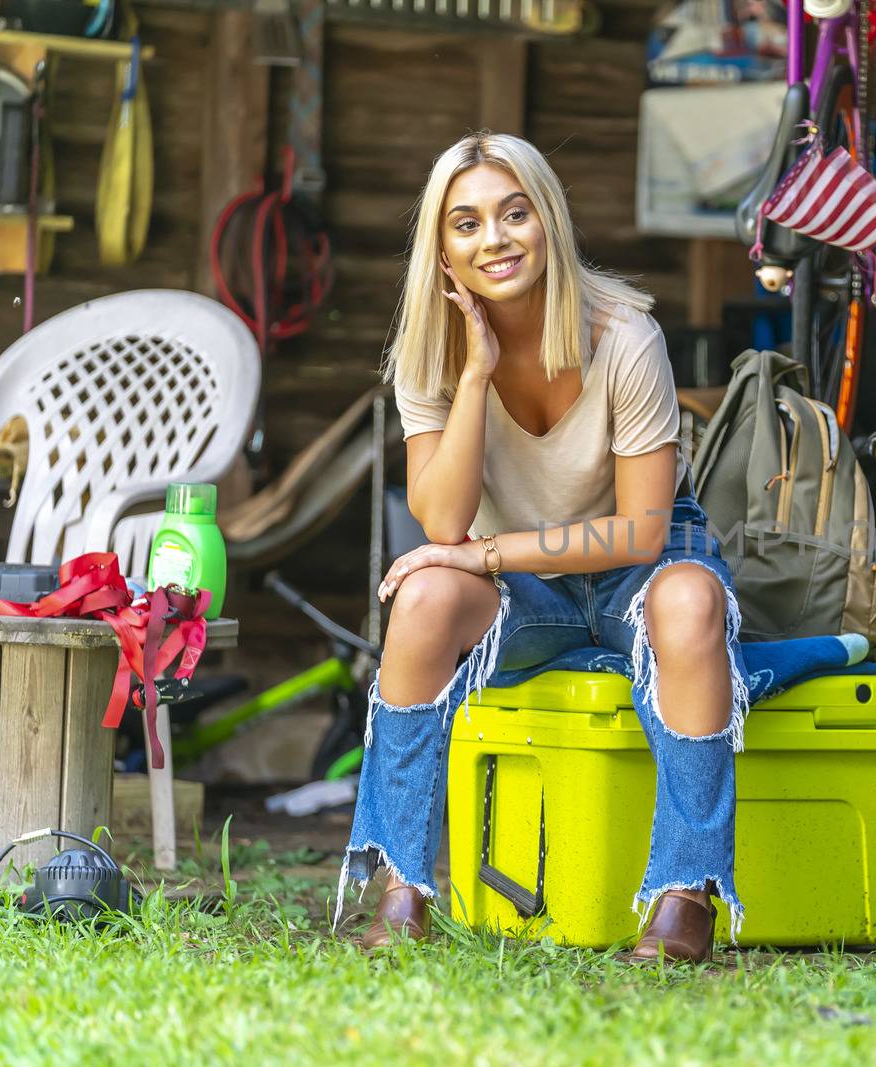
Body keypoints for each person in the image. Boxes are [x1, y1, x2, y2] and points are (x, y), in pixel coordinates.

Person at [337, 131, 751, 963]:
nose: (495, 238)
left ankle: (686, 891)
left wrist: (483, 557)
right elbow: (444, 525)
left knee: (691, 597)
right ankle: (406, 885)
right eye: (467, 223)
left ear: (548, 220)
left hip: (641, 571)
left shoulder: (624, 337)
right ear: (442, 246)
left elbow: (638, 529)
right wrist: (475, 375)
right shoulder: (431, 351)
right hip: (529, 593)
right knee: (420, 598)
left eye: (514, 213)